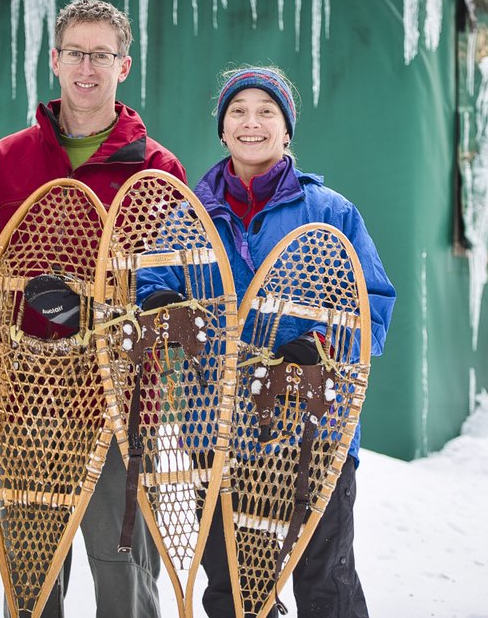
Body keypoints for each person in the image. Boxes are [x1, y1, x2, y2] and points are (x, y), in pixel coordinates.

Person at [137, 66, 396, 618]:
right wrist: (160, 308)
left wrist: (320, 346)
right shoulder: (190, 217)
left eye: (265, 112)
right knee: (233, 593)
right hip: (217, 427)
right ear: (223, 129)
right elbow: (152, 284)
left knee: (326, 585)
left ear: (286, 131)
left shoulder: (330, 213)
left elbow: (374, 304)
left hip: (314, 429)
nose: (250, 123)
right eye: (238, 111)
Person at [0, 0, 183, 618]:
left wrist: (98, 312)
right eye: (75, 54)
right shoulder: (8, 160)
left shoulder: (155, 170)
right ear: (54, 60)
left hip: (115, 398)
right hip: (24, 393)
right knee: (33, 568)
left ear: (124, 65)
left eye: (101, 55)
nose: (86, 68)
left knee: (123, 568)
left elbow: (170, 293)